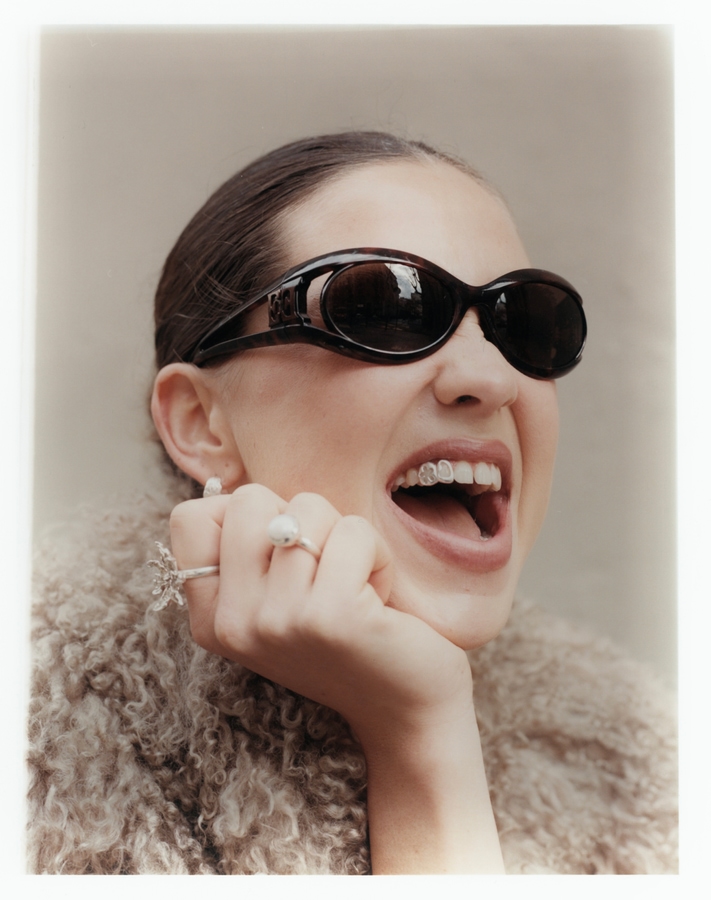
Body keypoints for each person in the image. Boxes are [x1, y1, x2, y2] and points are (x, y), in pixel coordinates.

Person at [27, 132, 677, 875]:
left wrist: (422, 728)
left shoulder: (637, 772)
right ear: (203, 423)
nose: (490, 378)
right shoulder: (43, 738)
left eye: (525, 322)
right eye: (384, 309)